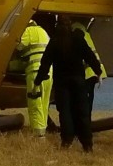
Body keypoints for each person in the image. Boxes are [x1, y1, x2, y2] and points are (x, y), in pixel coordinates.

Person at [34, 15, 102, 152]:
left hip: (61, 82)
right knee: (82, 112)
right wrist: (98, 72)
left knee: (65, 113)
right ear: (70, 25)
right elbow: (90, 56)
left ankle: (66, 141)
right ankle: (87, 144)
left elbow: (45, 64)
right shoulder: (78, 39)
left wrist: (37, 81)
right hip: (78, 81)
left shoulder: (54, 42)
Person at [16, 19, 53, 137]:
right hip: (49, 72)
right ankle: (43, 129)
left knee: (34, 103)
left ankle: (38, 135)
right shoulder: (43, 32)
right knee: (44, 102)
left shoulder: (27, 31)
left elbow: (18, 47)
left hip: (34, 71)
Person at [70, 17, 107, 116]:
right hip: (93, 72)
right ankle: (86, 124)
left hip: (86, 73)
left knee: (81, 102)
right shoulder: (86, 34)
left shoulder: (77, 36)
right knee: (87, 101)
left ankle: (81, 125)